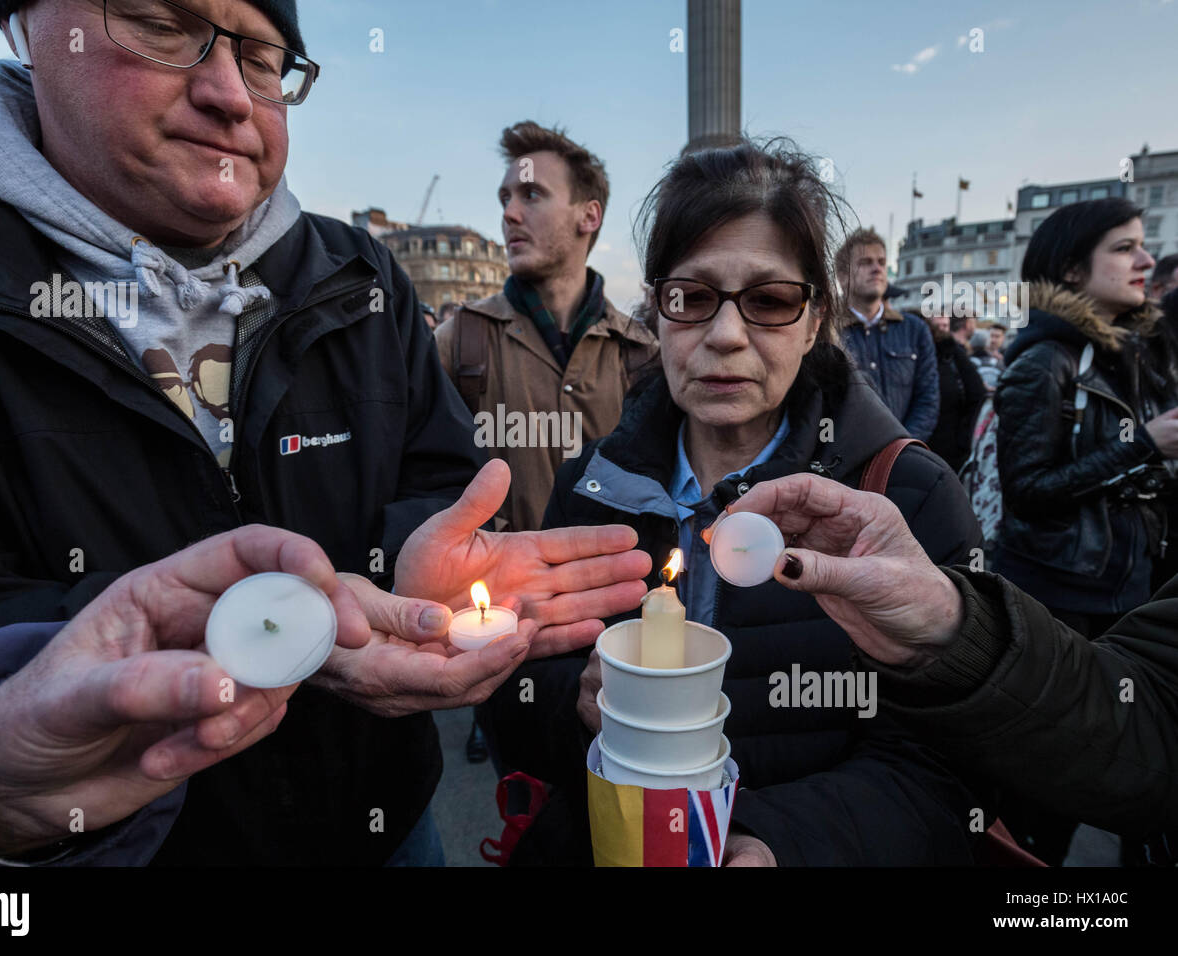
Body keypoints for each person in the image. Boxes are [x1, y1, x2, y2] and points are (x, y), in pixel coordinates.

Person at [0, 0, 650, 866]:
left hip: (386, 823)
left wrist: (399, 577)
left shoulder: (361, 278)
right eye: (159, 24)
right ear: (30, 26)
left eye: (263, 57)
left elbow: (436, 479)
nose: (229, 94)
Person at [485, 140, 986, 866]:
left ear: (816, 320)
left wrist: (776, 841)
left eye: (770, 301)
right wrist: (575, 699)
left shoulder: (910, 497)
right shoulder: (593, 483)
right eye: (690, 298)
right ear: (655, 312)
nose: (724, 336)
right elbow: (521, 699)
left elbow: (948, 769)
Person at [0, 524, 511, 865]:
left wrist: (398, 570)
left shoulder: (364, 285)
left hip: (387, 803)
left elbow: (424, 467)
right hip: (160, 838)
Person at [709, 472, 1178, 849]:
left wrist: (779, 841)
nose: (727, 345)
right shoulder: (632, 478)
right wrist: (956, 634)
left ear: (812, 344)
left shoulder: (911, 487)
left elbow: (937, 774)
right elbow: (1148, 718)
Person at [434, 120, 658, 533]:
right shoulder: (458, 341)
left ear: (589, 215)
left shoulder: (642, 352)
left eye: (531, 194)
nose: (509, 213)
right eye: (505, 197)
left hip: (619, 590)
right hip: (495, 594)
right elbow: (425, 483)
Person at [992, 199, 1175, 641]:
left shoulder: (1140, 354)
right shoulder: (1044, 361)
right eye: (1124, 248)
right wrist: (1146, 445)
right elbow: (1027, 491)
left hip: (1133, 586)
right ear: (1073, 269)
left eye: (1144, 247)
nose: (1146, 260)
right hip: (1062, 595)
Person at [837, 228, 939, 441]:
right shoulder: (826, 332)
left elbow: (928, 398)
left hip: (903, 455)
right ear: (843, 275)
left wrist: (903, 446)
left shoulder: (915, 329)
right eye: (865, 262)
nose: (877, 269)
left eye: (882, 262)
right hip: (844, 461)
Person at [927, 312, 987, 471]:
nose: (941, 331)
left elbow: (977, 394)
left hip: (951, 447)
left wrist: (963, 439)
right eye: (937, 327)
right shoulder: (917, 355)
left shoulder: (953, 355)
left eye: (944, 326)